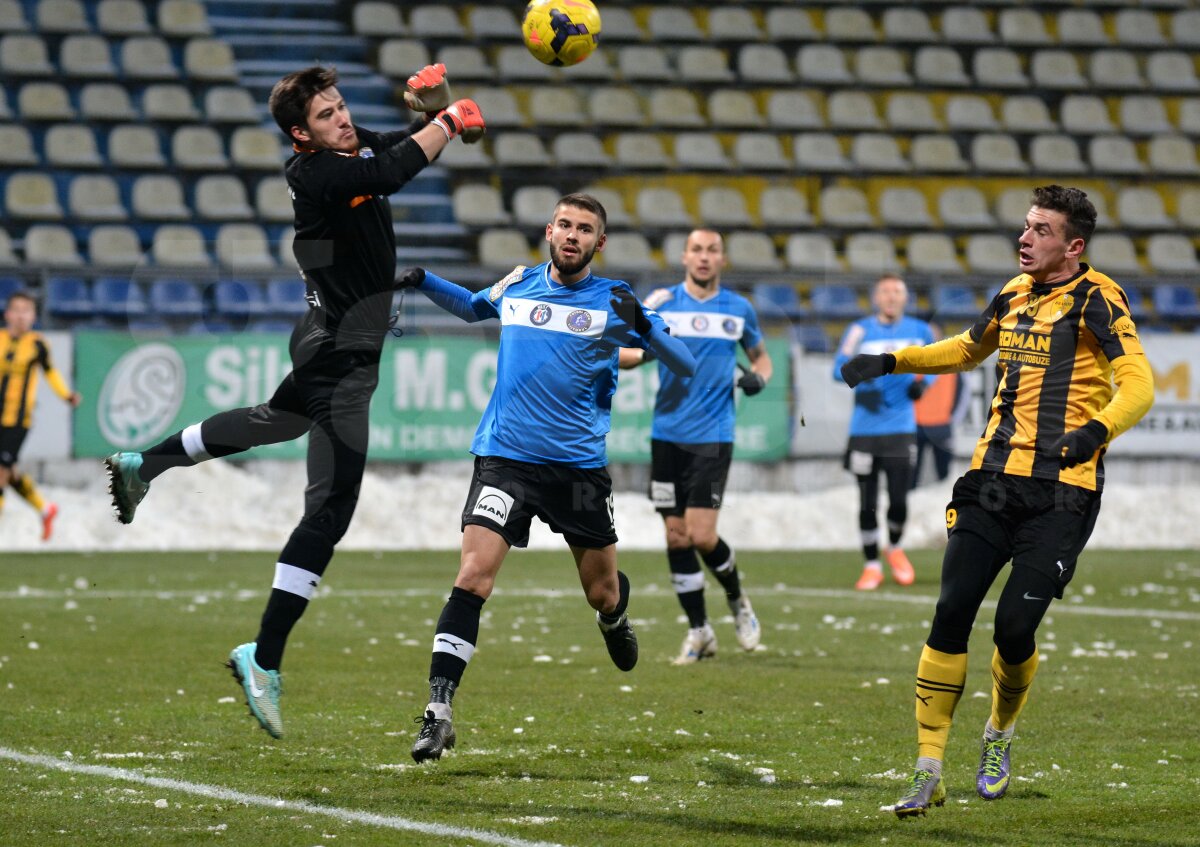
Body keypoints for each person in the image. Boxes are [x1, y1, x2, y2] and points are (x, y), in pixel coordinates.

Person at [104, 63, 485, 739]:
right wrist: (449, 123)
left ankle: (146, 464)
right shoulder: (311, 174)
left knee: (270, 420)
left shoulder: (346, 147)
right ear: (299, 134)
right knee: (331, 509)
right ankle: (265, 655)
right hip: (338, 356)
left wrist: (437, 111)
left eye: (341, 106)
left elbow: (394, 147)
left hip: (328, 340)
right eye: (327, 115)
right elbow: (387, 173)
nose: (342, 118)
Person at [840, 185, 1154, 817]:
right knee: (952, 608)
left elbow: (1139, 383)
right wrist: (891, 360)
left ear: (1073, 245)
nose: (1025, 237)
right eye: (1026, 226)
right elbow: (966, 347)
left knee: (1014, 629)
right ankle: (928, 767)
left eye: (1041, 230)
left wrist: (1095, 431)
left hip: (1064, 493)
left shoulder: (1100, 298)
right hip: (991, 480)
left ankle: (998, 734)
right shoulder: (1012, 294)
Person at [400, 192, 696, 762]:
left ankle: (615, 617)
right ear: (548, 230)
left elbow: (683, 361)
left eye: (585, 229)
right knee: (472, 577)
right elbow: (471, 308)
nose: (572, 235)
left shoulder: (616, 300)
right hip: (504, 459)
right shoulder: (517, 286)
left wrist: (645, 330)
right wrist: (424, 278)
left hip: (578, 470)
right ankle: (438, 712)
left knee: (601, 592)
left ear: (599, 243)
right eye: (565, 224)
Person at [617, 228, 771, 664]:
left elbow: (761, 358)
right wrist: (650, 350)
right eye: (697, 250)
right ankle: (700, 632)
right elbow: (624, 356)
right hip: (667, 435)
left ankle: (738, 600)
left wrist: (759, 377)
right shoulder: (662, 305)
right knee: (676, 534)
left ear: (722, 259)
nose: (704, 257)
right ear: (685, 257)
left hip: (713, 436)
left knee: (702, 534)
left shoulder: (739, 309)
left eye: (713, 251)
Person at [832, 275, 934, 591]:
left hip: (901, 430)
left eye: (897, 292)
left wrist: (923, 384)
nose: (891, 297)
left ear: (905, 299)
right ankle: (871, 565)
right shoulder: (860, 330)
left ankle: (894, 547)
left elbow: (939, 363)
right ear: (876, 298)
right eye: (885, 292)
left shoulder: (920, 331)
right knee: (867, 502)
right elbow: (837, 367)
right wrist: (859, 375)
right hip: (864, 432)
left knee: (900, 500)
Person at [0, 290, 81, 540]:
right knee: (10, 474)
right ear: (8, 314)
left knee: (1, 471)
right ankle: (46, 509)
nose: (22, 316)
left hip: (17, 421)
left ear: (33, 316)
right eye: (18, 310)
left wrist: (66, 395)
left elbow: (50, 373)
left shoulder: (37, 344)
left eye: (27, 311)